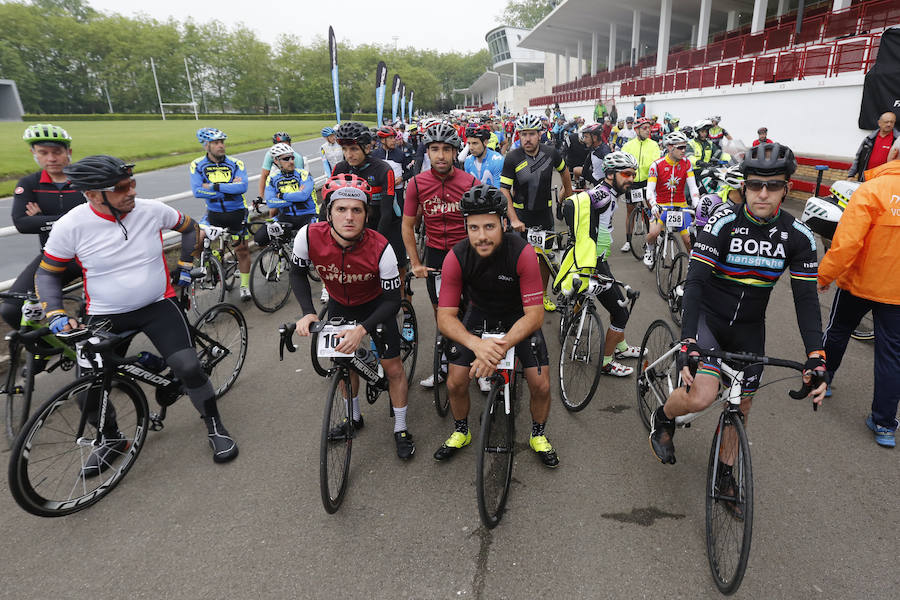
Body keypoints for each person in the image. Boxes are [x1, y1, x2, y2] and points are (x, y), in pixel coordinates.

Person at [36, 155, 239, 467]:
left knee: (188, 367)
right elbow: (48, 273)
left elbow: (190, 228)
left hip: (158, 305)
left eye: (132, 183)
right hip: (105, 314)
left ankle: (214, 425)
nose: (131, 191)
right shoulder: (71, 225)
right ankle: (113, 438)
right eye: (120, 187)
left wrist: (185, 264)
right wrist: (55, 312)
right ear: (92, 195)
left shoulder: (151, 209)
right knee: (86, 390)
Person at [649, 143, 827, 465]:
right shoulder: (722, 222)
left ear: (786, 189)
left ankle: (727, 473)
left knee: (742, 406)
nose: (763, 193)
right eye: (755, 184)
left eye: (772, 186)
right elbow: (696, 283)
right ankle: (663, 417)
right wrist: (688, 339)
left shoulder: (798, 236)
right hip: (708, 320)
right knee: (702, 395)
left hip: (749, 329)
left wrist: (816, 353)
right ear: (743, 186)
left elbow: (805, 299)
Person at [433, 184, 559, 467]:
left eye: (489, 226)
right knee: (454, 381)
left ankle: (538, 434)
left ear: (504, 222)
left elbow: (535, 316)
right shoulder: (456, 256)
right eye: (473, 228)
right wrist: (478, 346)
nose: (481, 236)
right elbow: (445, 317)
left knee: (540, 384)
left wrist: (498, 348)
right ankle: (461, 430)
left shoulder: (523, 252)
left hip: (519, 317)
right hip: (479, 315)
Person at [290, 174, 415, 459]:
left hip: (377, 306)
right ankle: (353, 418)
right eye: (341, 209)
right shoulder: (308, 236)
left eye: (356, 210)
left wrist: (362, 330)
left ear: (366, 214)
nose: (349, 217)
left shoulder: (381, 247)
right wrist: (307, 313)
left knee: (393, 368)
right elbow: (296, 273)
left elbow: (393, 301)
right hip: (339, 304)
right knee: (344, 366)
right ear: (328, 212)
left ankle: (401, 427)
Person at [818, 156, 900, 447]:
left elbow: (846, 243)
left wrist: (825, 275)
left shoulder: (871, 190)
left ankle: (822, 380)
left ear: (893, 154)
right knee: (891, 355)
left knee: (838, 330)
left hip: (859, 283)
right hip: (896, 294)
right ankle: (884, 424)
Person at [402, 123, 478, 388]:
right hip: (435, 256)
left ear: (456, 151)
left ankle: (478, 365)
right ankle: (445, 364)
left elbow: (484, 223)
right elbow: (407, 225)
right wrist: (415, 263)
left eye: (447, 149)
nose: (441, 155)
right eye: (434, 149)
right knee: (442, 313)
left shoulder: (469, 182)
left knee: (473, 310)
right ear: (428, 152)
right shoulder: (416, 184)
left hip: (467, 254)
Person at [554, 151, 644, 377]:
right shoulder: (603, 196)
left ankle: (621, 347)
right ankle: (606, 362)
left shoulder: (608, 193)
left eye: (633, 174)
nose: (631, 179)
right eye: (626, 174)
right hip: (594, 263)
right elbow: (570, 207)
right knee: (621, 311)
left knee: (619, 303)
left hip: (598, 259)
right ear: (611, 174)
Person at [3, 124, 85, 330]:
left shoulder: (84, 180)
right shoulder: (29, 183)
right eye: (43, 153)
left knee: (92, 311)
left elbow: (99, 218)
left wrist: (43, 220)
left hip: (89, 254)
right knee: (11, 309)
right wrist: (71, 220)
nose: (51, 158)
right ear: (34, 154)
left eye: (57, 152)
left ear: (69, 152)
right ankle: (47, 349)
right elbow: (22, 223)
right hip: (51, 256)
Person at [499, 114, 574, 312]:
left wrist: (568, 193)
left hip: (544, 215)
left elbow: (565, 171)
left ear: (539, 134)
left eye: (531, 134)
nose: (527, 139)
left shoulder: (551, 153)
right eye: (523, 134)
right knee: (518, 260)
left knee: (545, 259)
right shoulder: (513, 157)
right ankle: (518, 296)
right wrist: (513, 219)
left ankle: (543, 295)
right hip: (521, 218)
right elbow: (504, 190)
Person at [331, 121, 405, 283]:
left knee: (397, 268)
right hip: (358, 222)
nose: (348, 154)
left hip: (387, 221)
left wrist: (373, 244)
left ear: (367, 148)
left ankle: (404, 298)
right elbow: (328, 210)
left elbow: (386, 213)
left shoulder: (383, 169)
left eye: (354, 149)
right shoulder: (340, 169)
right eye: (344, 149)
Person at [190, 127, 252, 301]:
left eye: (222, 142)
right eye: (216, 143)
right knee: (197, 239)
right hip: (214, 213)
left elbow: (242, 187)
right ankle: (209, 264)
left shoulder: (236, 163)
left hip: (237, 213)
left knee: (242, 250)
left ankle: (245, 286)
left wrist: (213, 186)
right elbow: (197, 191)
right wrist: (228, 188)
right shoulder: (197, 165)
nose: (221, 146)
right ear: (206, 145)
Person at [643, 131, 700, 267]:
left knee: (688, 239)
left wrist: (697, 204)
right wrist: (654, 204)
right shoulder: (657, 165)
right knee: (654, 233)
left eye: (685, 147)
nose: (684, 150)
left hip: (681, 205)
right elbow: (650, 190)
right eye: (680, 147)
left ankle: (692, 265)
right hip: (661, 205)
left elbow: (693, 188)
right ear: (670, 147)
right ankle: (649, 249)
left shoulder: (687, 163)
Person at [254, 143, 318, 248]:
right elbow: (271, 202)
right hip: (285, 217)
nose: (291, 161)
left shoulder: (304, 174)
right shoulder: (272, 178)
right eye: (286, 159)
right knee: (259, 239)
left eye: (292, 158)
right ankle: (281, 255)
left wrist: (282, 196)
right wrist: (295, 198)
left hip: (307, 215)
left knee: (316, 245)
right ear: (276, 161)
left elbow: (303, 196)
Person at [620, 117, 661, 253]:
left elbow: (656, 163)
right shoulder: (628, 145)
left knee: (652, 209)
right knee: (630, 211)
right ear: (637, 130)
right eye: (645, 128)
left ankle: (655, 235)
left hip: (648, 182)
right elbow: (623, 164)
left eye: (649, 128)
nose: (648, 130)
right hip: (632, 182)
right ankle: (628, 241)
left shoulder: (654, 145)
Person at [848, 111, 899, 181]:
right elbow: (858, 158)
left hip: (885, 180)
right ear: (879, 123)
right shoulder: (869, 139)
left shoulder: (897, 141)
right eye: (886, 122)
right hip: (866, 178)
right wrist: (851, 175)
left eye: (892, 122)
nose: (889, 124)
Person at [256, 132, 304, 205]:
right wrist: (260, 197)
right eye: (279, 144)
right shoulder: (270, 154)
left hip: (294, 175)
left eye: (285, 144)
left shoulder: (297, 158)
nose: (282, 146)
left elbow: (300, 179)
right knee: (273, 210)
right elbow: (264, 175)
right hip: (281, 173)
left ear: (290, 144)